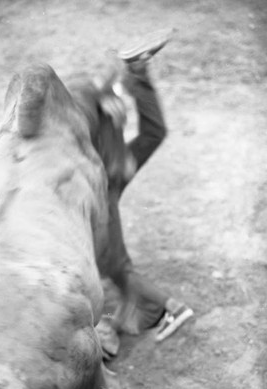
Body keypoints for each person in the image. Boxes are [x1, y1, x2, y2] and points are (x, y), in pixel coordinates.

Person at [68, 33, 193, 358]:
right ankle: (138, 70)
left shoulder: (82, 100)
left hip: (103, 182)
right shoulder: (92, 98)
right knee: (154, 132)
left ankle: (171, 309)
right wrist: (108, 89)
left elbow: (84, 92)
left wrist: (100, 93)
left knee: (117, 266)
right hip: (113, 170)